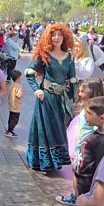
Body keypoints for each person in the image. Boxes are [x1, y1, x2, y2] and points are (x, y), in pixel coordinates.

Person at [25, 23, 77, 171]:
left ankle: (57, 161)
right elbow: (29, 72)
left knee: (58, 128)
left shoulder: (69, 57)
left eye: (60, 35)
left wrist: (74, 99)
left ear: (64, 37)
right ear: (49, 38)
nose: (56, 38)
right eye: (53, 35)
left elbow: (72, 79)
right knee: (44, 128)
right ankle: (43, 162)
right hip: (46, 98)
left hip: (60, 99)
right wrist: (36, 90)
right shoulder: (44, 55)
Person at [61, 96, 104, 206]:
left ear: (101, 117)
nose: (84, 117)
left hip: (90, 183)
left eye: (88, 113)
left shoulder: (102, 142)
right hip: (83, 180)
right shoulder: (96, 135)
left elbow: (100, 167)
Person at [57, 78, 104, 206]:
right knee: (76, 170)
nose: (79, 94)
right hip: (79, 143)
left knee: (80, 174)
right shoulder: (87, 108)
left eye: (83, 91)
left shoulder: (95, 111)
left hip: (86, 146)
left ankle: (77, 196)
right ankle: (75, 194)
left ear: (91, 92)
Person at [5, 70, 24, 138]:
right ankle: (10, 130)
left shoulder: (12, 85)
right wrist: (22, 93)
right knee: (15, 119)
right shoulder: (19, 87)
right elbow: (19, 96)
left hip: (11, 104)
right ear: (18, 78)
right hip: (16, 106)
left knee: (11, 117)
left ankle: (9, 129)